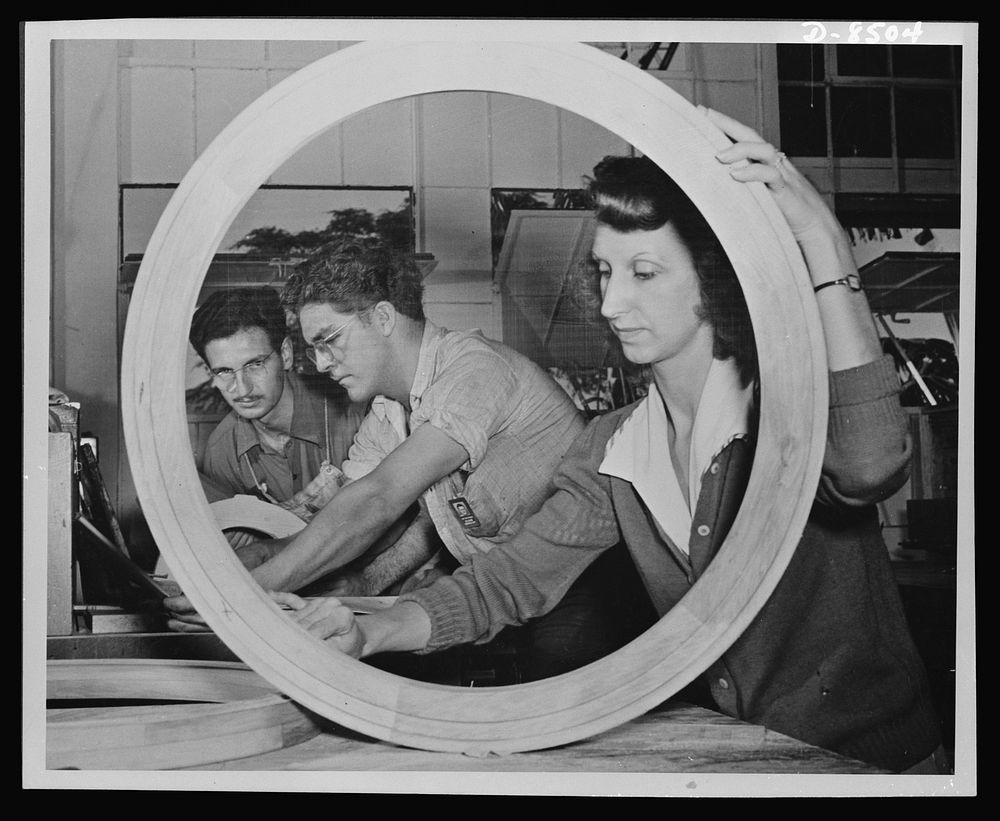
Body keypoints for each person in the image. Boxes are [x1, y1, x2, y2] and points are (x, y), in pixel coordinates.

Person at [271, 109, 945, 774]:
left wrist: (823, 243)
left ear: (711, 281)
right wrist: (371, 628)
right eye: (603, 272)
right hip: (743, 764)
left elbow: (868, 463)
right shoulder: (612, 446)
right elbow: (507, 581)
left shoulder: (782, 409)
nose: (613, 302)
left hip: (876, 766)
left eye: (644, 273)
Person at [168, 241, 652, 681]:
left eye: (329, 339)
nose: (320, 363)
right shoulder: (388, 413)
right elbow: (326, 518)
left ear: (381, 318)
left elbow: (376, 501)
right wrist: (225, 572)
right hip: (505, 591)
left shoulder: (473, 369)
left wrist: (238, 600)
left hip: (589, 587)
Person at [189, 287, 366, 527]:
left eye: (255, 364)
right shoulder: (221, 451)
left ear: (285, 354)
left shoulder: (351, 410)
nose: (242, 389)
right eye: (224, 371)